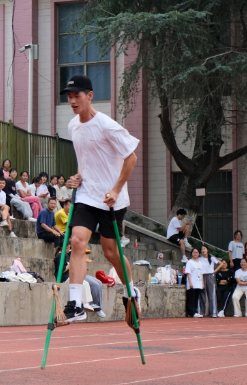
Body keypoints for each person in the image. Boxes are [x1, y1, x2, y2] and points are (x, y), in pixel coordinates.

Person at [62, 74, 141, 323]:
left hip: (110, 200)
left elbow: (131, 158)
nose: (73, 100)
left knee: (111, 252)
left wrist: (116, 189)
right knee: (76, 241)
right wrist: (77, 177)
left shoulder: (107, 125)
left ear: (90, 96)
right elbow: (86, 164)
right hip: (86, 196)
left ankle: (131, 292)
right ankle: (74, 303)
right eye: (69, 96)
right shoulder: (73, 126)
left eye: (77, 95)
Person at [53, 247, 106, 320]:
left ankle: (97, 307)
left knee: (99, 283)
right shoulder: (64, 255)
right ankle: (86, 304)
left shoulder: (70, 254)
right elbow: (62, 269)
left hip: (80, 273)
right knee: (91, 284)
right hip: (74, 275)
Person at [199, 246, 218, 318]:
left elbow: (221, 263)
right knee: (202, 295)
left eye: (204, 249)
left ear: (207, 250)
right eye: (202, 249)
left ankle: (213, 312)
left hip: (210, 276)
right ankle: (201, 312)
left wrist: (215, 271)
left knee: (211, 295)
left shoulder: (212, 258)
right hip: (202, 276)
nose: (203, 250)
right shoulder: (199, 259)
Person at [185, 248, 204, 317]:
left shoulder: (200, 262)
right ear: (191, 253)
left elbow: (202, 273)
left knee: (196, 298)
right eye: (194, 252)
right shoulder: (189, 262)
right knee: (191, 298)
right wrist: (190, 283)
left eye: (197, 252)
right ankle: (191, 312)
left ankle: (195, 311)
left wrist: (202, 283)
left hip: (199, 283)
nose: (195, 253)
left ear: (199, 254)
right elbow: (188, 273)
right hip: (192, 282)